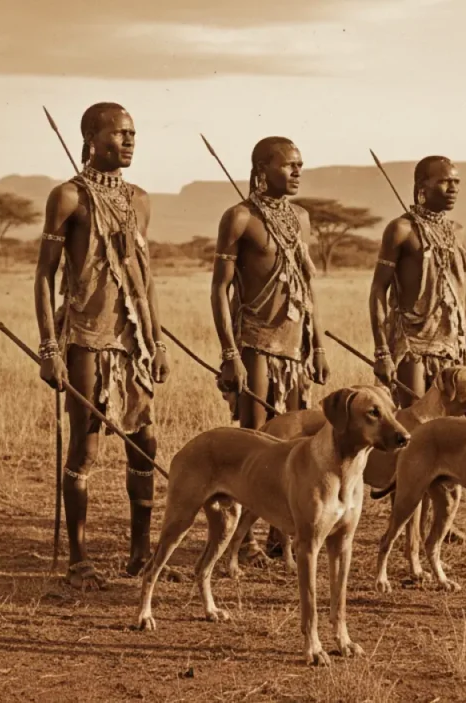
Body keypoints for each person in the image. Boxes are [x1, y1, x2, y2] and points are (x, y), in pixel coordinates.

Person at [34, 102, 170, 590]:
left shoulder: (140, 199)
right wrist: (50, 349)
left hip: (131, 341)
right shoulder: (68, 197)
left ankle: (139, 555)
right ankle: (79, 559)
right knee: (86, 447)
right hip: (87, 337)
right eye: (120, 133)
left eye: (134, 133)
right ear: (91, 138)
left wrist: (156, 340)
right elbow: (45, 275)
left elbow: (144, 276)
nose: (130, 140)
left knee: (144, 442)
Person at [210, 136, 329, 562]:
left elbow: (307, 288)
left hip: (295, 346)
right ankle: (245, 543)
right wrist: (229, 353)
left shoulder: (301, 217)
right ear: (262, 168)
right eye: (289, 165)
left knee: (296, 443)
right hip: (256, 341)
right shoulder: (239, 217)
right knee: (257, 442)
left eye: (300, 165)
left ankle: (283, 536)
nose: (297, 172)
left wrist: (317, 345)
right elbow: (220, 289)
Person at [368, 155, 466, 543]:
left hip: (451, 347)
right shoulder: (400, 230)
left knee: (448, 437)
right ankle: (404, 531)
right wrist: (383, 350)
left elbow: (462, 298)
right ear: (421, 185)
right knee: (413, 436)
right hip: (411, 345)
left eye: (457, 183)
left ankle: (440, 522)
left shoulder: (458, 231)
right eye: (445, 182)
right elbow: (378, 291)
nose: (453, 189)